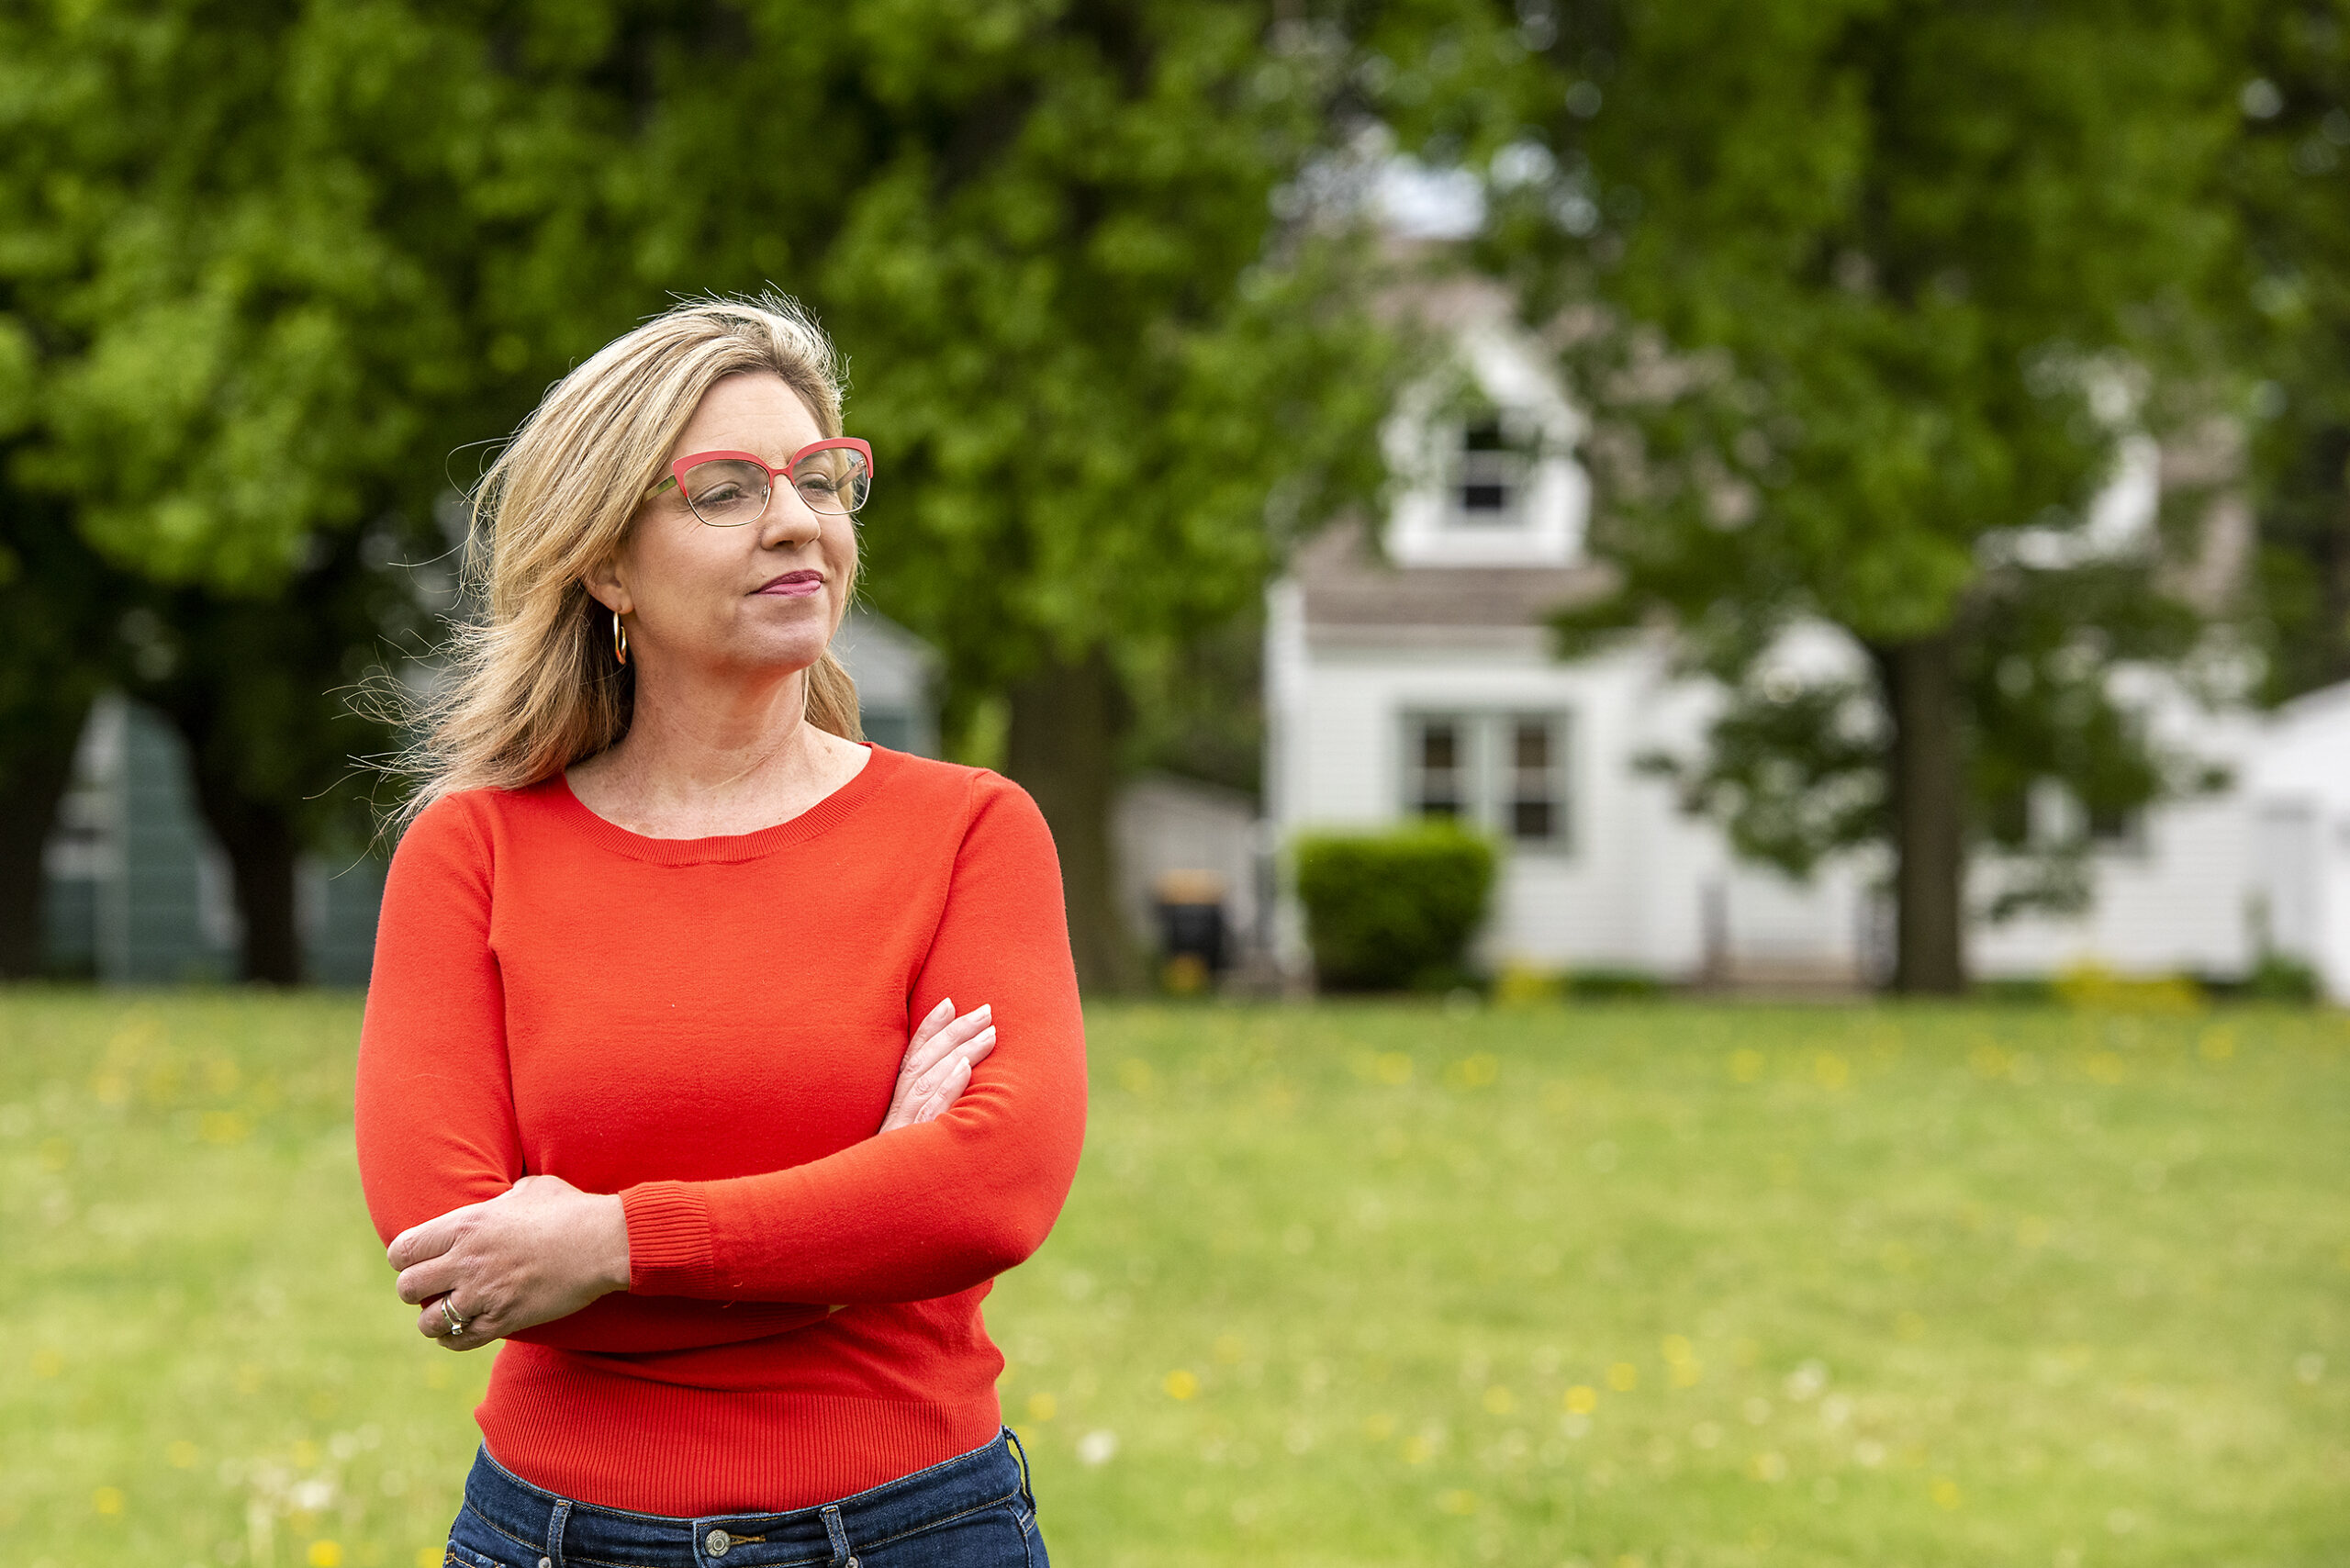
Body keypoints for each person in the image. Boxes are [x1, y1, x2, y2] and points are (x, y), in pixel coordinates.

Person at [353, 294, 1086, 1568]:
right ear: (605, 563)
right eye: (725, 490)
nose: (798, 520)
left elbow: (989, 1193)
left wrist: (604, 1243)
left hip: (916, 1531)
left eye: (821, 479)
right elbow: (455, 1256)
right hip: (559, 1540)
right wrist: (861, 1203)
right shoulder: (473, 855)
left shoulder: (972, 832)